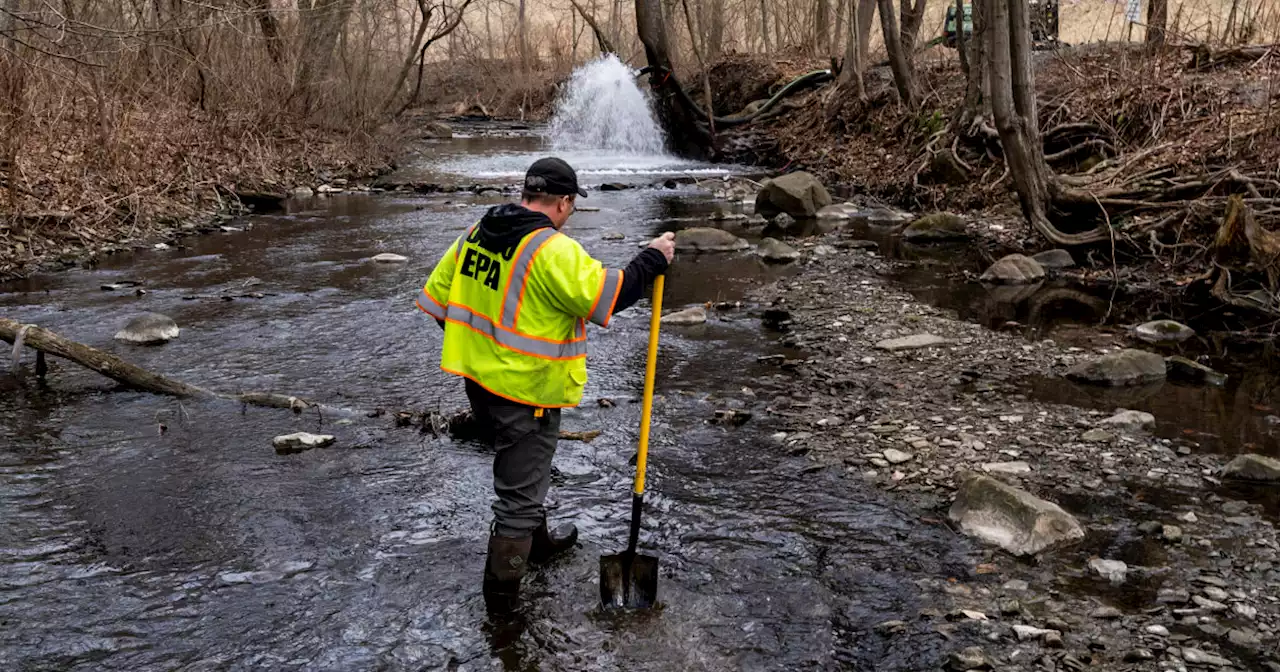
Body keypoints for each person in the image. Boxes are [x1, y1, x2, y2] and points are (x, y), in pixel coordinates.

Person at [416, 157, 676, 610]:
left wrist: (487, 355)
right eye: (571, 205)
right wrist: (653, 257)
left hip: (481, 385)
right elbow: (609, 296)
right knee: (516, 500)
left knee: (526, 478)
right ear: (563, 202)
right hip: (525, 394)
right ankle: (502, 606)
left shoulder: (479, 231)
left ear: (527, 194)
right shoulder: (551, 250)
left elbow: (437, 302)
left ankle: (537, 547)